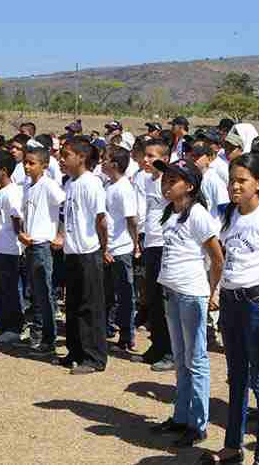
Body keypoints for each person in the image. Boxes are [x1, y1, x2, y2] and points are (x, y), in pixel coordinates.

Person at [202, 154, 259, 465]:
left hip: (258, 302)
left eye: (242, 180)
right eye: (232, 180)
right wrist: (216, 292)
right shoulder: (230, 215)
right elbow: (224, 259)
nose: (235, 186)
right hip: (231, 302)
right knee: (236, 377)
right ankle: (232, 446)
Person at [150, 158, 224, 448]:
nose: (165, 183)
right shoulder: (171, 213)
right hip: (172, 291)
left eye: (173, 180)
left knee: (196, 360)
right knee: (180, 358)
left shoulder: (198, 215)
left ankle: (198, 423)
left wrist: (212, 291)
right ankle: (181, 416)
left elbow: (217, 259)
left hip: (192, 294)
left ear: (190, 186)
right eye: (165, 178)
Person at [57, 138, 109, 375]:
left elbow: (100, 220)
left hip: (89, 252)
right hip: (72, 251)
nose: (62, 159)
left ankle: (94, 356)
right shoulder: (70, 183)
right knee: (74, 304)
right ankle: (75, 351)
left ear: (81, 157)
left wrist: (103, 248)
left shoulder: (91, 183)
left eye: (66, 155)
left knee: (90, 305)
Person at [131, 138, 175, 372]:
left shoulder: (170, 181)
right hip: (150, 243)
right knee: (153, 300)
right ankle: (156, 346)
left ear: (164, 159)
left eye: (151, 156)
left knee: (165, 300)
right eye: (145, 156)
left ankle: (170, 351)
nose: (146, 160)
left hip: (166, 245)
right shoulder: (146, 180)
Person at [18, 146, 66, 356]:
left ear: (44, 166)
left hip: (43, 245)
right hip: (31, 244)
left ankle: (49, 339)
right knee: (36, 293)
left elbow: (65, 207)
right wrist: (22, 233)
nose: (27, 166)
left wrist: (60, 235)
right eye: (25, 163)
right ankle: (38, 334)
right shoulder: (29, 187)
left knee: (45, 293)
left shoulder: (49, 185)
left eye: (32, 163)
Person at [101, 145, 140, 351]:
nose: (101, 162)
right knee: (107, 293)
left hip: (121, 248)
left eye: (105, 159)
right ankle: (107, 328)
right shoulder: (108, 185)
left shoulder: (124, 188)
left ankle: (127, 335)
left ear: (114, 164)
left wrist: (135, 245)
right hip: (108, 248)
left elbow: (131, 220)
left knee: (125, 293)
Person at [0, 151, 24, 344]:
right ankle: (0, 322)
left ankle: (14, 327)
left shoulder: (12, 192)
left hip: (8, 248)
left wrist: (18, 237)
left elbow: (17, 217)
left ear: (3, 171)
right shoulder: (0, 191)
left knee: (10, 289)